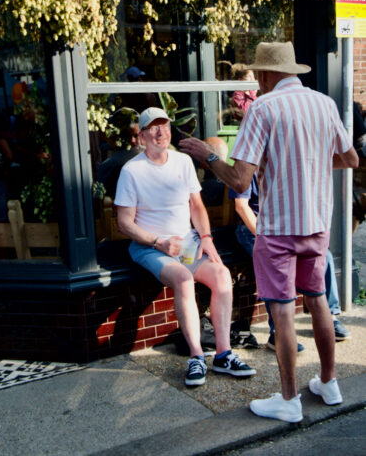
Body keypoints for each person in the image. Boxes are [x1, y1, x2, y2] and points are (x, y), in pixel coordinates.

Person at [180, 41, 359, 422]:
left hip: (277, 229)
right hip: (316, 224)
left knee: (282, 315)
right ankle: (329, 383)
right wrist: (307, 160)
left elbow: (239, 179)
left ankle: (290, 400)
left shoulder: (263, 107)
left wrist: (206, 155)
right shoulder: (324, 104)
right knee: (318, 302)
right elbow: (350, 158)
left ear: (264, 75)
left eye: (258, 74)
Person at [114, 107, 256, 387]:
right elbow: (124, 224)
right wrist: (158, 242)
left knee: (223, 277)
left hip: (187, 243)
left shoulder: (182, 162)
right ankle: (196, 356)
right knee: (183, 278)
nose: (160, 132)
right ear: (142, 136)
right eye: (152, 127)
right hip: (150, 248)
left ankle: (224, 354)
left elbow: (197, 207)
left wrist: (206, 238)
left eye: (164, 125)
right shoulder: (132, 171)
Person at [229, 175, 351, 348]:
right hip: (255, 227)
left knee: (326, 257)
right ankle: (277, 333)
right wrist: (265, 238)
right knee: (274, 264)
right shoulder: (248, 166)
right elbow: (241, 207)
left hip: (286, 227)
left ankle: (330, 316)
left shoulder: (284, 164)